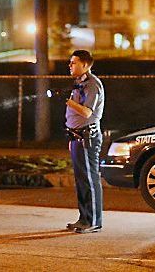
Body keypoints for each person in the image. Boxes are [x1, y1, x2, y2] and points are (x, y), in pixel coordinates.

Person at [64, 50, 105, 234]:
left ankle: (94, 221)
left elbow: (87, 112)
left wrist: (68, 102)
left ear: (86, 65)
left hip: (88, 137)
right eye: (70, 63)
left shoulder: (92, 85)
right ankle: (84, 218)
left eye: (74, 63)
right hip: (76, 137)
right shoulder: (78, 84)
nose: (70, 65)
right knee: (81, 180)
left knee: (90, 179)